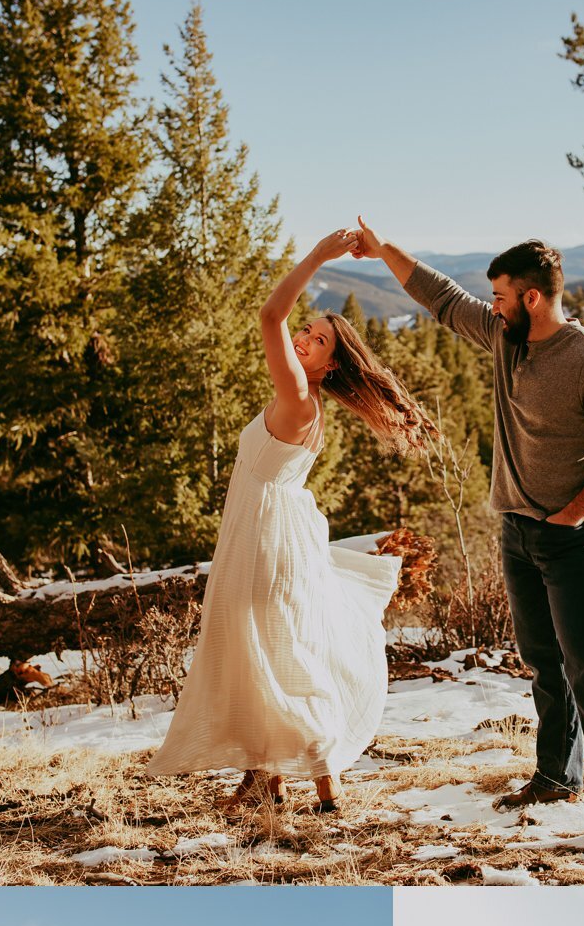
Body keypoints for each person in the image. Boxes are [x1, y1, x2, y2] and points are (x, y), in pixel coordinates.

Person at [352, 220, 584, 856]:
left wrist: (575, 513)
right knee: (545, 660)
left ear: (533, 298)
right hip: (517, 530)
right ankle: (555, 776)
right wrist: (381, 250)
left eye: (500, 296)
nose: (491, 305)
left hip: (576, 536)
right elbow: (439, 295)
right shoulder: (504, 337)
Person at [149, 229, 434, 814]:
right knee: (267, 651)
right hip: (266, 533)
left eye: (318, 338)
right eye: (306, 331)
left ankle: (287, 772)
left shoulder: (300, 399)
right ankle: (288, 777)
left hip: (264, 540)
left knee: (261, 650)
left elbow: (268, 314)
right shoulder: (303, 402)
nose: (302, 336)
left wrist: (319, 257)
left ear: (331, 365)